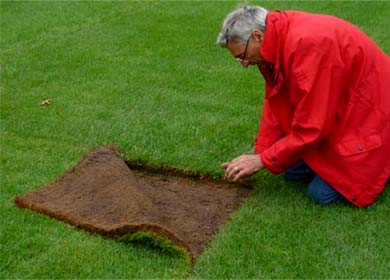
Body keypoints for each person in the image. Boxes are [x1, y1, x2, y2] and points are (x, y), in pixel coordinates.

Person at [217, 5, 390, 207]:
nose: (244, 64)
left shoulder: (309, 47)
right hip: (345, 110)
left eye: (241, 55)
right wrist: (261, 152)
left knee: (320, 194)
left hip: (372, 118)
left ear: (257, 36)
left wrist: (262, 161)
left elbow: (313, 128)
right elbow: (275, 101)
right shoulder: (274, 40)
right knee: (292, 172)